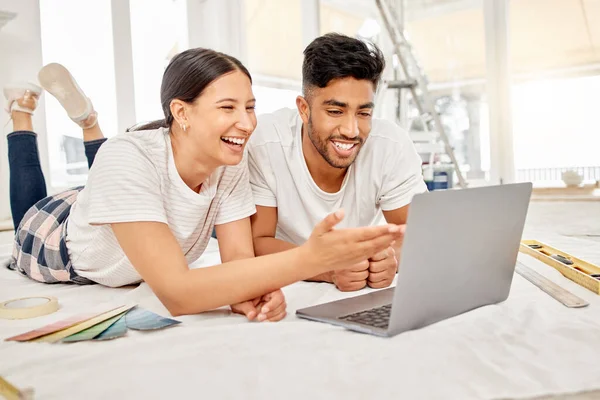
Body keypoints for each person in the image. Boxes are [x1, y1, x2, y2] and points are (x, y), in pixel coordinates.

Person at [4, 49, 403, 321]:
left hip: (114, 196)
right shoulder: (127, 157)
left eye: (250, 107)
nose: (247, 124)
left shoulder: (229, 163)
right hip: (57, 238)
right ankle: (24, 116)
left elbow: (240, 266)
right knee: (28, 206)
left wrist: (247, 291)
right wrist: (315, 259)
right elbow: (178, 293)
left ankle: (90, 121)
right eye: (228, 108)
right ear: (181, 112)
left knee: (110, 173)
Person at [248, 33, 427, 292]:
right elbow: (258, 241)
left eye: (364, 113)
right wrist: (327, 268)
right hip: (291, 283)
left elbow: (418, 236)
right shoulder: (265, 143)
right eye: (335, 111)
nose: (351, 130)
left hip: (361, 283)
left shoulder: (391, 146)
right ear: (303, 109)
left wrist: (390, 258)